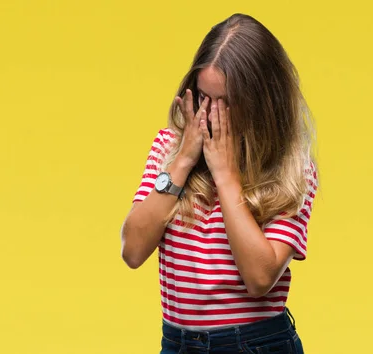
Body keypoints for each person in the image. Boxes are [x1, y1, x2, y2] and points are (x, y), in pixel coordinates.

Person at [120, 13, 318, 354]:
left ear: (260, 102)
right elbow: (133, 251)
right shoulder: (168, 148)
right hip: (179, 343)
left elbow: (259, 278)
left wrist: (227, 176)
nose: (209, 114)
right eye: (202, 97)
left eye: (224, 102)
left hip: (257, 344)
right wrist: (182, 161)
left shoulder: (291, 169)